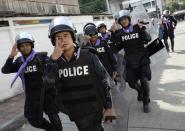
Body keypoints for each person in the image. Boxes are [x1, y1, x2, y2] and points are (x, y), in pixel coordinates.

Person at [47, 16, 113, 131]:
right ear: (54, 41)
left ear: (72, 36)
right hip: (75, 111)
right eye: (58, 37)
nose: (63, 40)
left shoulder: (89, 55)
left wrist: (108, 107)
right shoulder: (53, 61)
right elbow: (49, 84)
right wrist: (53, 62)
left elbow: (104, 81)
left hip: (95, 108)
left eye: (66, 35)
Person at [1, 32, 63, 131]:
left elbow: (53, 67)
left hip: (46, 92)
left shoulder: (41, 57)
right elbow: (5, 70)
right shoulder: (19, 61)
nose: (25, 48)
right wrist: (11, 56)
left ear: (31, 45)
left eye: (27, 45)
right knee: (32, 119)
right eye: (22, 46)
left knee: (53, 116)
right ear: (19, 48)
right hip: (31, 95)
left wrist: (54, 59)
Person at [110, 10, 152, 113]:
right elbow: (115, 47)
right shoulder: (119, 33)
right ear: (119, 22)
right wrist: (113, 33)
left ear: (129, 19)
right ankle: (140, 92)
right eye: (121, 20)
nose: (123, 21)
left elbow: (147, 39)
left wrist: (142, 28)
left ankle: (145, 101)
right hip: (129, 60)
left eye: (125, 19)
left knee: (144, 81)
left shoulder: (137, 27)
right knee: (132, 83)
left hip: (142, 58)